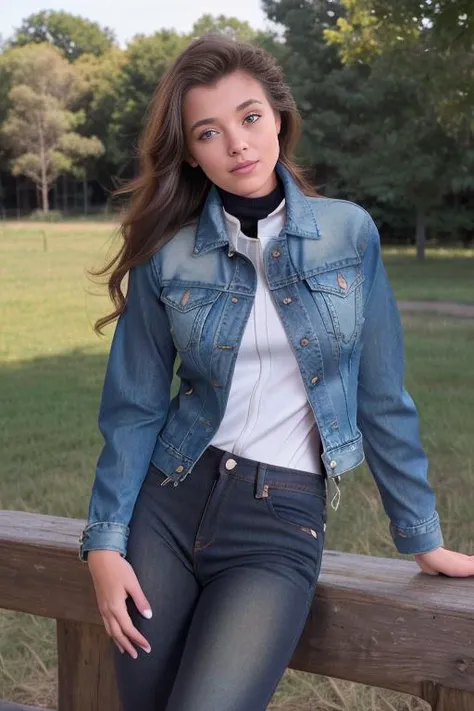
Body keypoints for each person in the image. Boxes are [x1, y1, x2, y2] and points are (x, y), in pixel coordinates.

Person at [79, 33, 474, 711]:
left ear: (279, 117)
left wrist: (422, 536)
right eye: (210, 131)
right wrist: (105, 543)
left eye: (250, 116)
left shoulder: (349, 235)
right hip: (166, 507)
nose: (237, 143)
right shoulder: (167, 256)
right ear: (191, 152)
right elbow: (136, 407)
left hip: (279, 522)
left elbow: (382, 396)